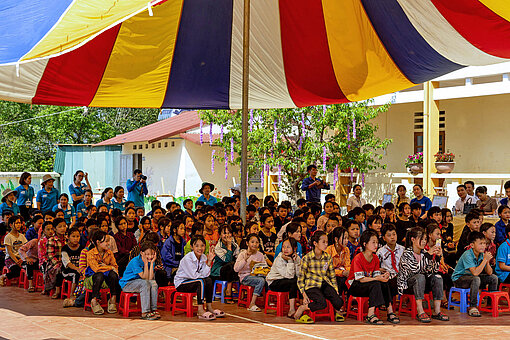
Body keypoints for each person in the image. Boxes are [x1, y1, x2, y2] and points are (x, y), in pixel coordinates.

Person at [396, 227, 448, 323]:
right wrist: (428, 255)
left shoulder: (424, 253)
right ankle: (420, 311)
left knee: (437, 277)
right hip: (408, 284)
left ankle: (437, 311)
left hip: (422, 282)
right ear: (413, 239)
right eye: (422, 239)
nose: (424, 242)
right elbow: (415, 270)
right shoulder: (407, 253)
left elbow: (432, 270)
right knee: (419, 277)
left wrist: (437, 257)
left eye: (425, 239)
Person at [348, 230, 399, 325]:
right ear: (364, 244)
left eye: (377, 242)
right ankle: (370, 315)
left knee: (384, 283)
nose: (376, 245)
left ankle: (390, 311)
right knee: (375, 283)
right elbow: (361, 279)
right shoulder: (358, 258)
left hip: (368, 283)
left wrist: (383, 276)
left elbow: (376, 276)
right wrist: (377, 279)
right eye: (373, 242)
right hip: (355, 285)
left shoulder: (375, 258)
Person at [294, 231, 344, 324]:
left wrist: (335, 289)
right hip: (311, 285)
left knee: (339, 301)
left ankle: (335, 310)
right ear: (315, 243)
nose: (326, 244)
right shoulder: (307, 258)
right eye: (323, 242)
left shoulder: (327, 257)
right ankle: (303, 308)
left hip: (324, 284)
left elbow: (332, 275)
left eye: (327, 242)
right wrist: (304, 294)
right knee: (322, 303)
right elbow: (300, 279)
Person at [175, 235, 224, 320]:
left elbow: (206, 275)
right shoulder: (188, 258)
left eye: (202, 245)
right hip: (182, 283)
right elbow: (194, 276)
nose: (200, 248)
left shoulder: (203, 257)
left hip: (194, 281)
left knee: (208, 280)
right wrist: (203, 276)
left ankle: (209, 307)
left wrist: (209, 261)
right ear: (191, 247)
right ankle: (200, 310)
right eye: (196, 246)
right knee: (200, 282)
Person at [452, 231, 498, 317]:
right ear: (472, 245)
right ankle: (472, 306)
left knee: (493, 278)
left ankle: (491, 305)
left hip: (472, 277)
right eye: (480, 243)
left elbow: (489, 272)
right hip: (459, 279)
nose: (483, 246)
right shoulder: (467, 255)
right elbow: (475, 273)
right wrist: (484, 260)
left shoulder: (481, 254)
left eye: (484, 243)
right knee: (476, 279)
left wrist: (487, 261)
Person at [120, 241, 161, 320]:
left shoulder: (151, 260)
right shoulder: (135, 261)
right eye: (147, 254)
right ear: (142, 253)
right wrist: (146, 263)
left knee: (153, 283)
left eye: (152, 254)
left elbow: (150, 278)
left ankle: (154, 309)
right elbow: (144, 277)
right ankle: (145, 312)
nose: (150, 256)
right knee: (145, 283)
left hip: (140, 282)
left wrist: (152, 263)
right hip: (127, 284)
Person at [85, 230, 119, 315]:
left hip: (107, 276)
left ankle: (113, 299)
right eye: (106, 241)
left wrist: (107, 267)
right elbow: (96, 269)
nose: (108, 243)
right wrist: (109, 267)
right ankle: (94, 300)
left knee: (113, 275)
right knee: (99, 275)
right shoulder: (91, 253)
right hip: (93, 277)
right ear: (98, 242)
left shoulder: (109, 253)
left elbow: (115, 267)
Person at [266, 237, 302, 318]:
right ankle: (291, 310)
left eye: (288, 247)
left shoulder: (295, 257)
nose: (285, 249)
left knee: (300, 281)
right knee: (293, 281)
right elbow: (289, 276)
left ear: (295, 248)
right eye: (283, 247)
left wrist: (296, 261)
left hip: (286, 280)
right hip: (274, 282)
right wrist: (289, 261)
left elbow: (299, 273)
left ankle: (302, 306)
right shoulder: (279, 259)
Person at [234, 233, 267, 312]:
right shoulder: (242, 254)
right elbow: (236, 269)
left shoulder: (260, 255)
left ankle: (268, 301)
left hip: (257, 276)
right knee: (261, 281)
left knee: (268, 279)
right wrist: (245, 260)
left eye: (257, 242)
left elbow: (264, 267)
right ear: (247, 243)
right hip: (245, 277)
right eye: (252, 242)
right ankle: (252, 304)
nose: (255, 244)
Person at [210, 224, 240, 303]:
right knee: (230, 265)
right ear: (220, 235)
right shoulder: (218, 247)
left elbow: (238, 258)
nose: (227, 235)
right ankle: (228, 292)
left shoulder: (235, 245)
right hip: (218, 271)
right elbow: (227, 260)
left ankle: (242, 295)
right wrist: (229, 246)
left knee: (237, 265)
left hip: (231, 270)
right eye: (224, 233)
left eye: (229, 233)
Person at [376, 224, 404, 297]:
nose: (392, 237)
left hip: (400, 276)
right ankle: (389, 303)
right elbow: (375, 267)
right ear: (384, 238)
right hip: (388, 277)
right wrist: (379, 269)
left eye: (394, 234)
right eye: (389, 235)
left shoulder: (403, 249)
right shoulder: (380, 251)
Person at [0, 216, 27, 286]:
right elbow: (9, 252)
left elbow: (25, 249)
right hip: (10, 258)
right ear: (11, 225)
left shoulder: (22, 236)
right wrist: (17, 261)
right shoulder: (8, 237)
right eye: (17, 223)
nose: (19, 225)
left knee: (29, 267)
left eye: (20, 223)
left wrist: (22, 259)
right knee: (16, 270)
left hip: (21, 258)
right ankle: (3, 276)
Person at [45, 218, 67, 298]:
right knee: (59, 269)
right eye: (60, 227)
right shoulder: (51, 240)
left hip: (66, 263)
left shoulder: (67, 239)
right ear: (54, 228)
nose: (63, 228)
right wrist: (59, 263)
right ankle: (57, 291)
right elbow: (50, 255)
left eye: (64, 226)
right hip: (53, 264)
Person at [326, 227, 351, 295]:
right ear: (336, 239)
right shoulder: (328, 250)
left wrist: (348, 272)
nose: (347, 241)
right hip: (330, 277)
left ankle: (349, 299)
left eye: (347, 238)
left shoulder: (346, 250)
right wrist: (341, 272)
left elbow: (347, 265)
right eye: (344, 238)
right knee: (340, 280)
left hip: (342, 274)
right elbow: (328, 270)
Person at [61, 227, 84, 300]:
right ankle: (72, 294)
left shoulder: (82, 248)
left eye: (78, 236)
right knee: (75, 274)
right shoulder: (65, 248)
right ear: (68, 237)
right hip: (67, 271)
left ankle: (81, 294)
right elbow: (67, 263)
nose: (76, 239)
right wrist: (77, 269)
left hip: (79, 269)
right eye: (73, 236)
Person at [161, 219, 186, 284]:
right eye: (181, 229)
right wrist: (179, 264)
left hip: (180, 266)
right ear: (174, 230)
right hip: (169, 268)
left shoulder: (183, 242)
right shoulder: (168, 242)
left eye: (184, 229)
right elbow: (167, 259)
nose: (183, 231)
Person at [18, 227, 39, 292]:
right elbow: (21, 250)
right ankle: (30, 285)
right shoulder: (34, 241)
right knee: (29, 264)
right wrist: (26, 258)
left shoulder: (49, 242)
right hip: (28, 261)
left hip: (38, 261)